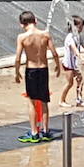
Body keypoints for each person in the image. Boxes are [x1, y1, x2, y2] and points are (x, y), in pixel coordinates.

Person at [14, 11, 61, 143]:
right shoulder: (45, 35)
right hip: (43, 69)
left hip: (31, 70)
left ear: (22, 24)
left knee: (32, 102)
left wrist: (16, 72)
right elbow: (54, 53)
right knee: (44, 101)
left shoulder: (22, 37)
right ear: (35, 21)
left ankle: (34, 132)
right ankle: (46, 131)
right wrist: (57, 66)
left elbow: (18, 57)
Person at [59, 15, 84, 108]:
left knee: (80, 81)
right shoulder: (70, 37)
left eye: (82, 27)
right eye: (80, 27)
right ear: (74, 27)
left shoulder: (77, 36)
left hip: (74, 63)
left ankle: (79, 100)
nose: (81, 29)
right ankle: (61, 100)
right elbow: (75, 49)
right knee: (69, 83)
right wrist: (82, 58)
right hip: (68, 64)